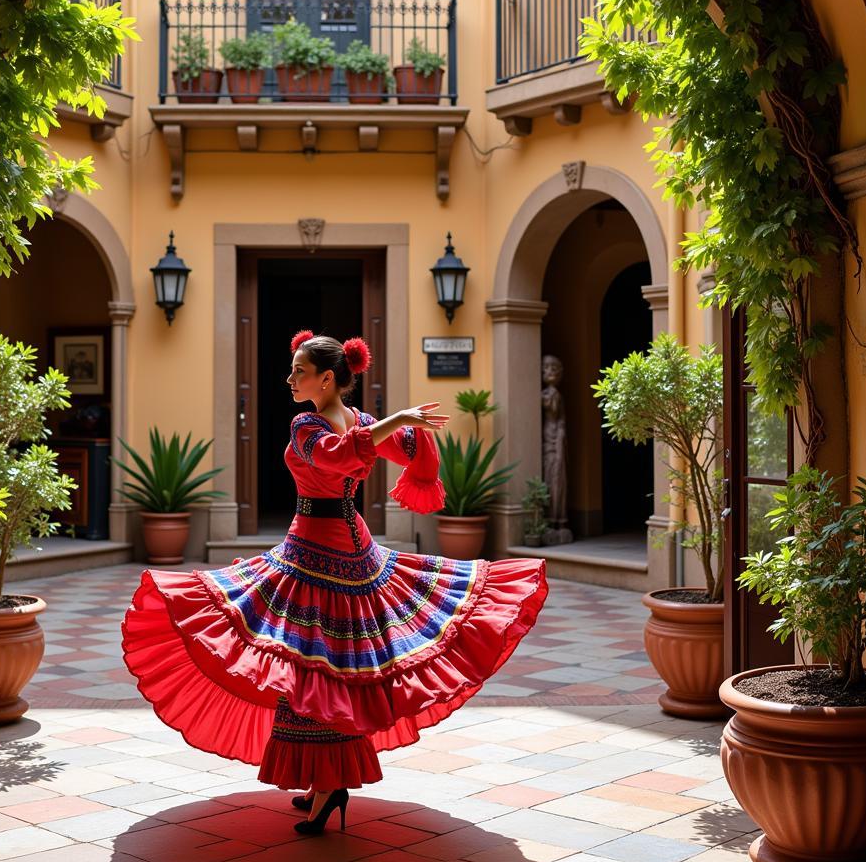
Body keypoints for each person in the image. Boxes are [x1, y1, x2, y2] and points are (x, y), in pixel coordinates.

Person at [122, 331, 548, 835]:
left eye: (299, 371)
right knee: (321, 665)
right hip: (325, 549)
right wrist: (402, 425)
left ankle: (327, 786)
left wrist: (410, 432)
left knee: (316, 665)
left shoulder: (335, 423)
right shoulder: (326, 425)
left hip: (327, 552)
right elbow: (339, 454)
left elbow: (390, 453)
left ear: (326, 379)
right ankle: (325, 781)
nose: (290, 378)